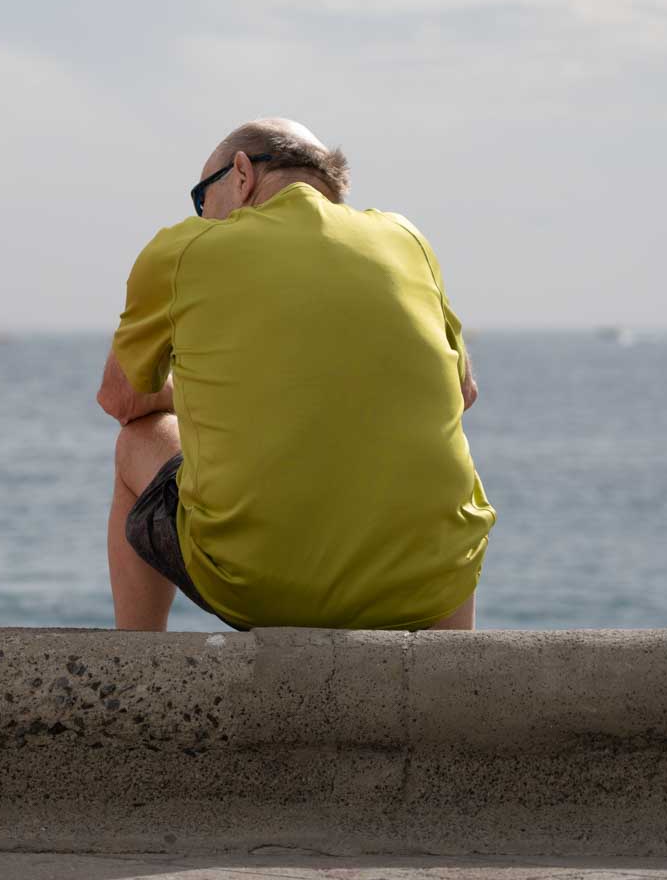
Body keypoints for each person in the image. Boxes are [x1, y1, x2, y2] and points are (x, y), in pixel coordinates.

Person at [97, 118, 495, 632]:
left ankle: (139, 665)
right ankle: (450, 682)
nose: (203, 216)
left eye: (202, 199)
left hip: (254, 586)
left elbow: (121, 399)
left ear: (240, 174)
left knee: (138, 439)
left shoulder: (185, 249)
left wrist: (201, 393)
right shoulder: (406, 238)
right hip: (426, 589)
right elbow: (462, 392)